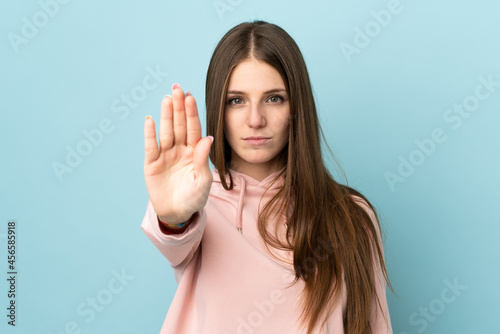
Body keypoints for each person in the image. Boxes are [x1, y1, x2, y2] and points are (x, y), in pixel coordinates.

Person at [141, 20, 393, 334]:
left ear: (297, 107)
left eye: (274, 98)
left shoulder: (350, 214)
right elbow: (174, 232)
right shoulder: (197, 207)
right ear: (218, 108)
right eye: (237, 100)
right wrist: (173, 217)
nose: (255, 120)